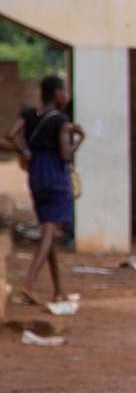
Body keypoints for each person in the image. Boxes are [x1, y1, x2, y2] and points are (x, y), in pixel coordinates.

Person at [5, 76, 84, 305]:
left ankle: (58, 290)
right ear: (57, 93)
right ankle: (28, 283)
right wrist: (80, 138)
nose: (66, 95)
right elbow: (66, 154)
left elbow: (12, 134)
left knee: (48, 231)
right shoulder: (61, 120)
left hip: (36, 173)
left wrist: (25, 150)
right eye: (64, 91)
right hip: (56, 175)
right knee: (50, 231)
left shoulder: (29, 115)